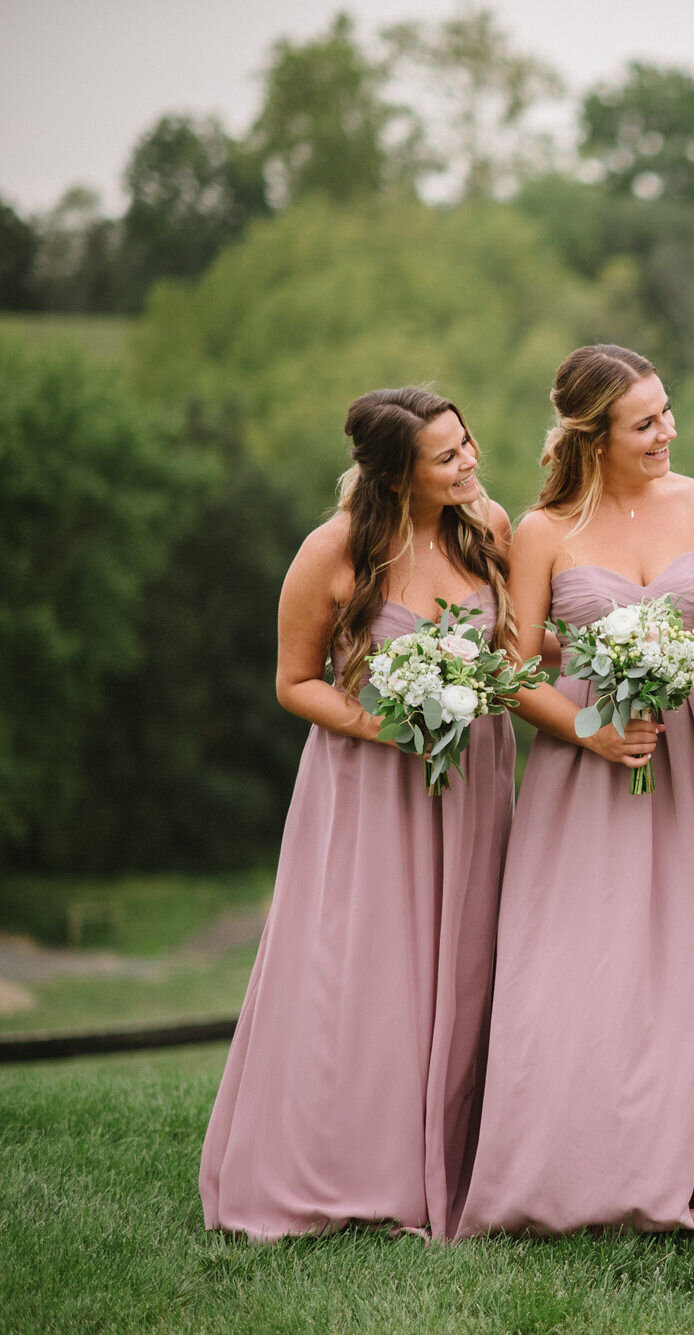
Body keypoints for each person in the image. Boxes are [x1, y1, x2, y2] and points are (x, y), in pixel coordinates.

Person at [202, 388, 516, 1239]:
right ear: (393, 472)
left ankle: (447, 1164)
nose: (469, 462)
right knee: (366, 968)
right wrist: (392, 727)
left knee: (463, 960)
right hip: (371, 784)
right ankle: (345, 1168)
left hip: (475, 774)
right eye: (445, 456)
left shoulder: (485, 527)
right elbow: (294, 681)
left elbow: (517, 649)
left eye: (466, 441)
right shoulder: (334, 548)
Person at [456, 345, 694, 1235]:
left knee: (682, 963)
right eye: (645, 421)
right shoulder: (545, 531)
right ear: (594, 434)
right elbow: (513, 668)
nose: (667, 431)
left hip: (688, 761)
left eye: (667, 410)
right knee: (573, 967)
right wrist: (587, 727)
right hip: (582, 770)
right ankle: (555, 1175)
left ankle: (668, 1170)